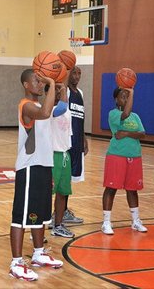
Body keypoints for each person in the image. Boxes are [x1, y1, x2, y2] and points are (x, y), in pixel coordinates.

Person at [9, 69, 63, 281]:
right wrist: (50, 81)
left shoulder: (41, 105)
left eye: (42, 81)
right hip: (29, 166)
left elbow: (58, 108)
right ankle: (15, 263)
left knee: (40, 215)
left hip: (44, 164)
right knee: (21, 217)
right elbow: (45, 114)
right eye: (36, 81)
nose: (40, 84)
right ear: (26, 84)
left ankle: (39, 254)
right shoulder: (26, 105)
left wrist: (59, 84)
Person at [101, 87, 148, 235]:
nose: (126, 99)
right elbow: (125, 114)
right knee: (111, 188)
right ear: (116, 99)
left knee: (132, 190)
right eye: (123, 97)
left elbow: (142, 134)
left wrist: (126, 133)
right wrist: (132, 92)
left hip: (134, 156)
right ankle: (106, 222)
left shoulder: (136, 116)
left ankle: (135, 221)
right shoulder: (113, 114)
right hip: (116, 155)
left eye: (128, 97)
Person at [60, 65, 87, 225]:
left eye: (79, 73)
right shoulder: (65, 91)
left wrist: (84, 139)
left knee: (69, 179)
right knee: (62, 179)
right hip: (66, 141)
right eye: (73, 72)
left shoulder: (81, 93)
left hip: (77, 140)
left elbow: (80, 118)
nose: (76, 76)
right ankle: (58, 212)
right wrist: (65, 70)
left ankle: (63, 211)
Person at [49, 82, 75, 238]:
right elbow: (62, 107)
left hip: (65, 155)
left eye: (61, 92)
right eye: (56, 93)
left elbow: (68, 134)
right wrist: (63, 88)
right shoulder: (50, 111)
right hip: (53, 156)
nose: (59, 95)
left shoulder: (68, 112)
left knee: (62, 193)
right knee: (48, 194)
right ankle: (39, 226)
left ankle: (58, 225)